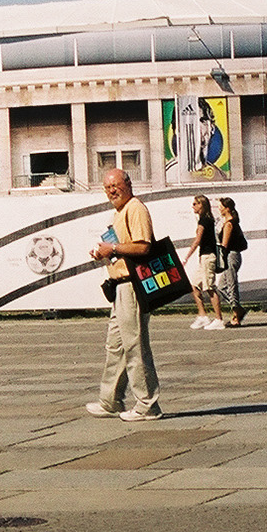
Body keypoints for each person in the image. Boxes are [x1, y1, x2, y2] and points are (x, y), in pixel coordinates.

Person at [85, 168, 162, 420]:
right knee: (115, 347)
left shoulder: (135, 208)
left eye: (116, 185)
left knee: (135, 346)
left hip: (132, 285)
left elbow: (144, 246)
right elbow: (122, 248)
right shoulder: (119, 213)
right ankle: (111, 401)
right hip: (120, 286)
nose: (112, 191)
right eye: (107, 188)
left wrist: (114, 247)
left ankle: (148, 404)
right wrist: (105, 253)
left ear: (128, 184)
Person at [187, 194, 221, 330]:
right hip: (203, 257)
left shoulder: (205, 221)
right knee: (195, 286)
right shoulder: (203, 220)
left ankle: (219, 319)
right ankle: (203, 316)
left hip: (208, 257)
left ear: (202, 205)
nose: (193, 206)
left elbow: (197, 240)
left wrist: (187, 256)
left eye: (195, 204)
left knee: (209, 288)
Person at [216, 196, 248, 326]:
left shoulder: (229, 224)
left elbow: (224, 245)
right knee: (222, 286)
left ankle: (236, 315)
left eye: (221, 207)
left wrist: (220, 259)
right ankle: (237, 308)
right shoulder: (228, 222)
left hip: (231, 256)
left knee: (231, 284)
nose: (219, 209)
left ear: (227, 209)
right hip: (232, 255)